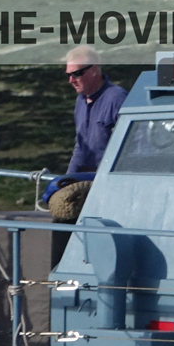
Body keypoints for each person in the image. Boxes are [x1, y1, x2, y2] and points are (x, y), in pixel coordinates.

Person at [52, 44, 125, 223]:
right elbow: (81, 145)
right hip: (86, 186)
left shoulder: (117, 99)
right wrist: (67, 182)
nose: (71, 80)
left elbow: (131, 146)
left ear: (93, 70)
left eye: (76, 74)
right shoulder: (80, 101)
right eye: (68, 75)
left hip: (109, 187)